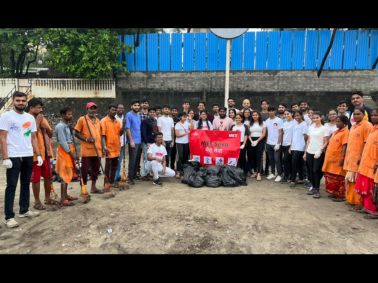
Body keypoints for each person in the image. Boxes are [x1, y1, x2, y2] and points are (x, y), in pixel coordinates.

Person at [0, 91, 42, 228]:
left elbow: (33, 137)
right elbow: (3, 137)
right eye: (18, 100)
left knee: (25, 183)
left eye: (23, 101)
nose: (21, 103)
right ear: (13, 101)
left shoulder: (30, 118)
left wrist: (38, 154)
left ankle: (24, 210)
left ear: (26, 102)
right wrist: (5, 157)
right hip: (13, 155)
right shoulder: (6, 116)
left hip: (28, 154)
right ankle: (9, 216)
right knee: (11, 185)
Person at [27, 98, 57, 210]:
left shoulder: (42, 118)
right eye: (39, 107)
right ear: (31, 108)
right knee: (36, 179)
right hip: (34, 154)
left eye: (41, 107)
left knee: (48, 176)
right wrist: (37, 122)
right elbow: (27, 134)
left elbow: (50, 133)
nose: (41, 110)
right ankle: (37, 201)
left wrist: (46, 128)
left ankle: (47, 198)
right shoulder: (26, 119)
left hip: (46, 153)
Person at [343, 107, 373, 209]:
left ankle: (359, 203)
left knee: (357, 181)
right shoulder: (353, 126)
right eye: (354, 114)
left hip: (359, 159)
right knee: (350, 180)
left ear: (364, 115)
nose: (356, 116)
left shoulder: (367, 126)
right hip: (350, 158)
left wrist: (361, 156)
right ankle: (351, 200)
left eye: (358, 114)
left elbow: (366, 143)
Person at [74, 102, 103, 193]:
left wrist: (103, 147)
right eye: (91, 108)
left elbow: (100, 134)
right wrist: (86, 139)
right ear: (87, 109)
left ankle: (93, 187)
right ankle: (84, 189)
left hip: (97, 149)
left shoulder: (98, 120)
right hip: (87, 150)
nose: (93, 110)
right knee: (85, 171)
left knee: (95, 170)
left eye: (94, 108)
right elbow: (76, 133)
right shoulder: (82, 119)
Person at [355, 108, 378, 218]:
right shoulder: (373, 129)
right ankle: (366, 207)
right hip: (365, 163)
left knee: (371, 189)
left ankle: (373, 210)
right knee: (364, 187)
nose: (373, 117)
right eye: (372, 115)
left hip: (373, 165)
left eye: (376, 115)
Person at [322, 115, 350, 201]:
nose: (337, 123)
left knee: (339, 178)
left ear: (344, 123)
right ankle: (334, 193)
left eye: (339, 121)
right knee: (331, 176)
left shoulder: (346, 132)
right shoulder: (336, 131)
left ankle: (341, 195)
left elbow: (344, 146)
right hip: (331, 159)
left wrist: (342, 158)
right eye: (336, 121)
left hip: (338, 159)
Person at [55, 107, 79, 206]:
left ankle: (66, 195)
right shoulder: (60, 126)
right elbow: (62, 141)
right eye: (68, 114)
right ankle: (63, 199)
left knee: (69, 173)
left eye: (71, 114)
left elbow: (70, 137)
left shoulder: (67, 125)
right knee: (64, 174)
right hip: (64, 151)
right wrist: (71, 153)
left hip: (70, 149)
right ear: (63, 115)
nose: (70, 116)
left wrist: (71, 129)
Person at [304, 111, 328, 198]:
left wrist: (320, 150)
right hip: (310, 151)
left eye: (317, 118)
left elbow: (326, 141)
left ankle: (317, 189)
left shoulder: (324, 128)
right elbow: (308, 141)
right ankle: (313, 187)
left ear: (320, 118)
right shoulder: (310, 127)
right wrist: (305, 152)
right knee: (310, 171)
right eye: (314, 118)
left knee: (316, 171)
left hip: (318, 153)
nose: (315, 119)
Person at [100, 104, 122, 191]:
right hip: (108, 147)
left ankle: (112, 182)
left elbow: (120, 133)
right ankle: (106, 183)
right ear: (109, 110)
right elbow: (102, 135)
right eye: (112, 110)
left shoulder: (117, 121)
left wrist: (123, 126)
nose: (114, 111)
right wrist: (104, 146)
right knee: (108, 165)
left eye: (115, 110)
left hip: (116, 147)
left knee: (114, 165)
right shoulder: (104, 121)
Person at [289, 111, 308, 187]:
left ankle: (293, 180)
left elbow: (306, 136)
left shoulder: (304, 124)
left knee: (294, 164)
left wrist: (304, 147)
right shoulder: (295, 124)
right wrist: (291, 146)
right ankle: (301, 178)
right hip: (294, 147)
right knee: (299, 164)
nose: (296, 117)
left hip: (300, 148)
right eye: (295, 116)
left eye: (298, 115)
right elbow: (293, 136)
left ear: (301, 115)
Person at [125, 100, 142, 185]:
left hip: (139, 141)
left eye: (138, 105)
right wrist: (131, 140)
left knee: (137, 160)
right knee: (132, 160)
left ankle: (134, 176)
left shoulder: (138, 115)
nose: (137, 107)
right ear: (132, 106)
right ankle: (130, 178)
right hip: (133, 141)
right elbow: (127, 128)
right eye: (135, 105)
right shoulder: (129, 114)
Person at [265, 107, 283, 182]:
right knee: (271, 159)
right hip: (269, 143)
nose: (271, 112)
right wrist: (266, 142)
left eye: (272, 111)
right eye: (269, 111)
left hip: (276, 143)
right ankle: (272, 173)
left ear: (275, 111)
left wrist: (278, 143)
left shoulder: (279, 120)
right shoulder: (267, 121)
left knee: (277, 159)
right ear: (268, 112)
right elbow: (266, 132)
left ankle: (279, 174)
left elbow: (280, 132)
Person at [248, 111, 266, 181]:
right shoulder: (250, 123)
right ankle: (255, 171)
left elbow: (264, 134)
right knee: (253, 156)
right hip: (251, 141)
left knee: (259, 156)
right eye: (253, 115)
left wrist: (257, 141)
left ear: (259, 116)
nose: (254, 116)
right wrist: (251, 140)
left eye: (256, 115)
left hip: (260, 140)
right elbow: (248, 133)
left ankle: (259, 173)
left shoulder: (263, 123)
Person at [141, 108, 158, 180]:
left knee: (151, 158)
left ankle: (148, 173)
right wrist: (146, 142)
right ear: (148, 113)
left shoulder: (155, 121)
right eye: (151, 112)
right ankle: (143, 174)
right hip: (147, 143)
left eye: (154, 112)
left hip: (153, 142)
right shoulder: (145, 121)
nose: (152, 113)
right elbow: (143, 132)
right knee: (146, 158)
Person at [175, 112, 193, 178]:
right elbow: (177, 135)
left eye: (185, 116)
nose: (184, 118)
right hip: (179, 142)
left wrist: (190, 119)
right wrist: (185, 133)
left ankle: (183, 170)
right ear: (180, 117)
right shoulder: (177, 124)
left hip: (186, 142)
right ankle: (178, 171)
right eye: (183, 116)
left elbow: (192, 129)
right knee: (180, 156)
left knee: (185, 157)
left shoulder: (187, 123)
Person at [281, 110, 295, 183]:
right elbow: (283, 133)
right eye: (285, 114)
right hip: (284, 144)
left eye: (288, 114)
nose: (286, 115)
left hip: (291, 145)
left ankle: (289, 176)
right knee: (286, 161)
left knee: (286, 160)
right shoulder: (284, 123)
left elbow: (295, 135)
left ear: (292, 114)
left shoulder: (295, 123)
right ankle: (287, 175)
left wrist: (291, 145)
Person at [114, 103, 126, 186]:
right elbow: (118, 132)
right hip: (115, 143)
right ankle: (114, 178)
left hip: (123, 143)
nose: (121, 109)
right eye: (119, 108)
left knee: (120, 161)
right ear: (116, 109)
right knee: (116, 161)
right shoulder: (114, 118)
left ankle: (117, 176)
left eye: (122, 108)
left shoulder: (124, 118)